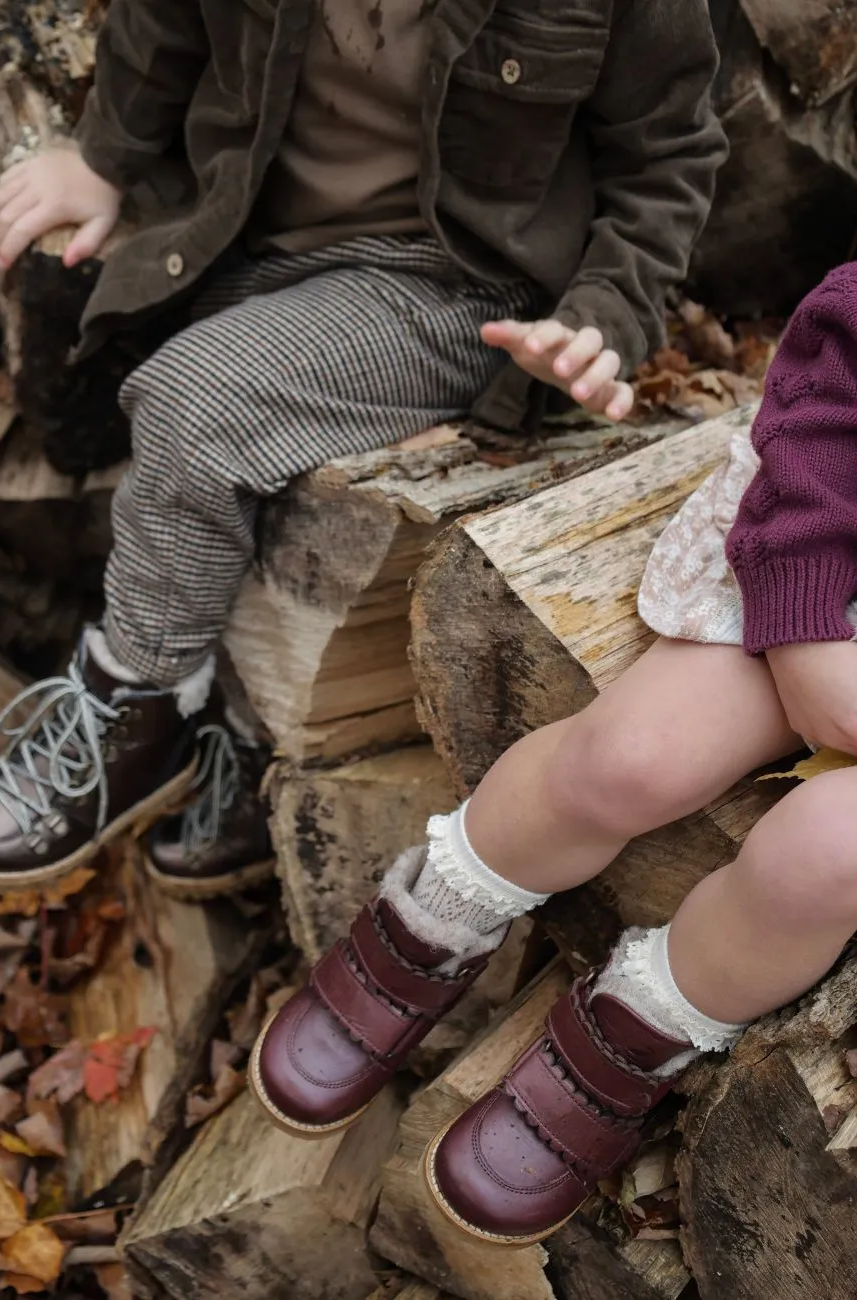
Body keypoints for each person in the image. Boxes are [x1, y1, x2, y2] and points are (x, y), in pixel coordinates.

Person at [0, 0, 725, 899]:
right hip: (241, 235)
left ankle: (136, 708)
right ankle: (229, 741)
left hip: (454, 287)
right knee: (160, 393)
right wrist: (104, 156)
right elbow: (165, 22)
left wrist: (601, 320)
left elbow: (669, 158)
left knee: (196, 403)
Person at [250, 262, 857, 1244]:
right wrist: (803, 623)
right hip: (831, 550)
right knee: (635, 756)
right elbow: (832, 389)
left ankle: (633, 1036)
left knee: (825, 855)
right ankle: (434, 912)